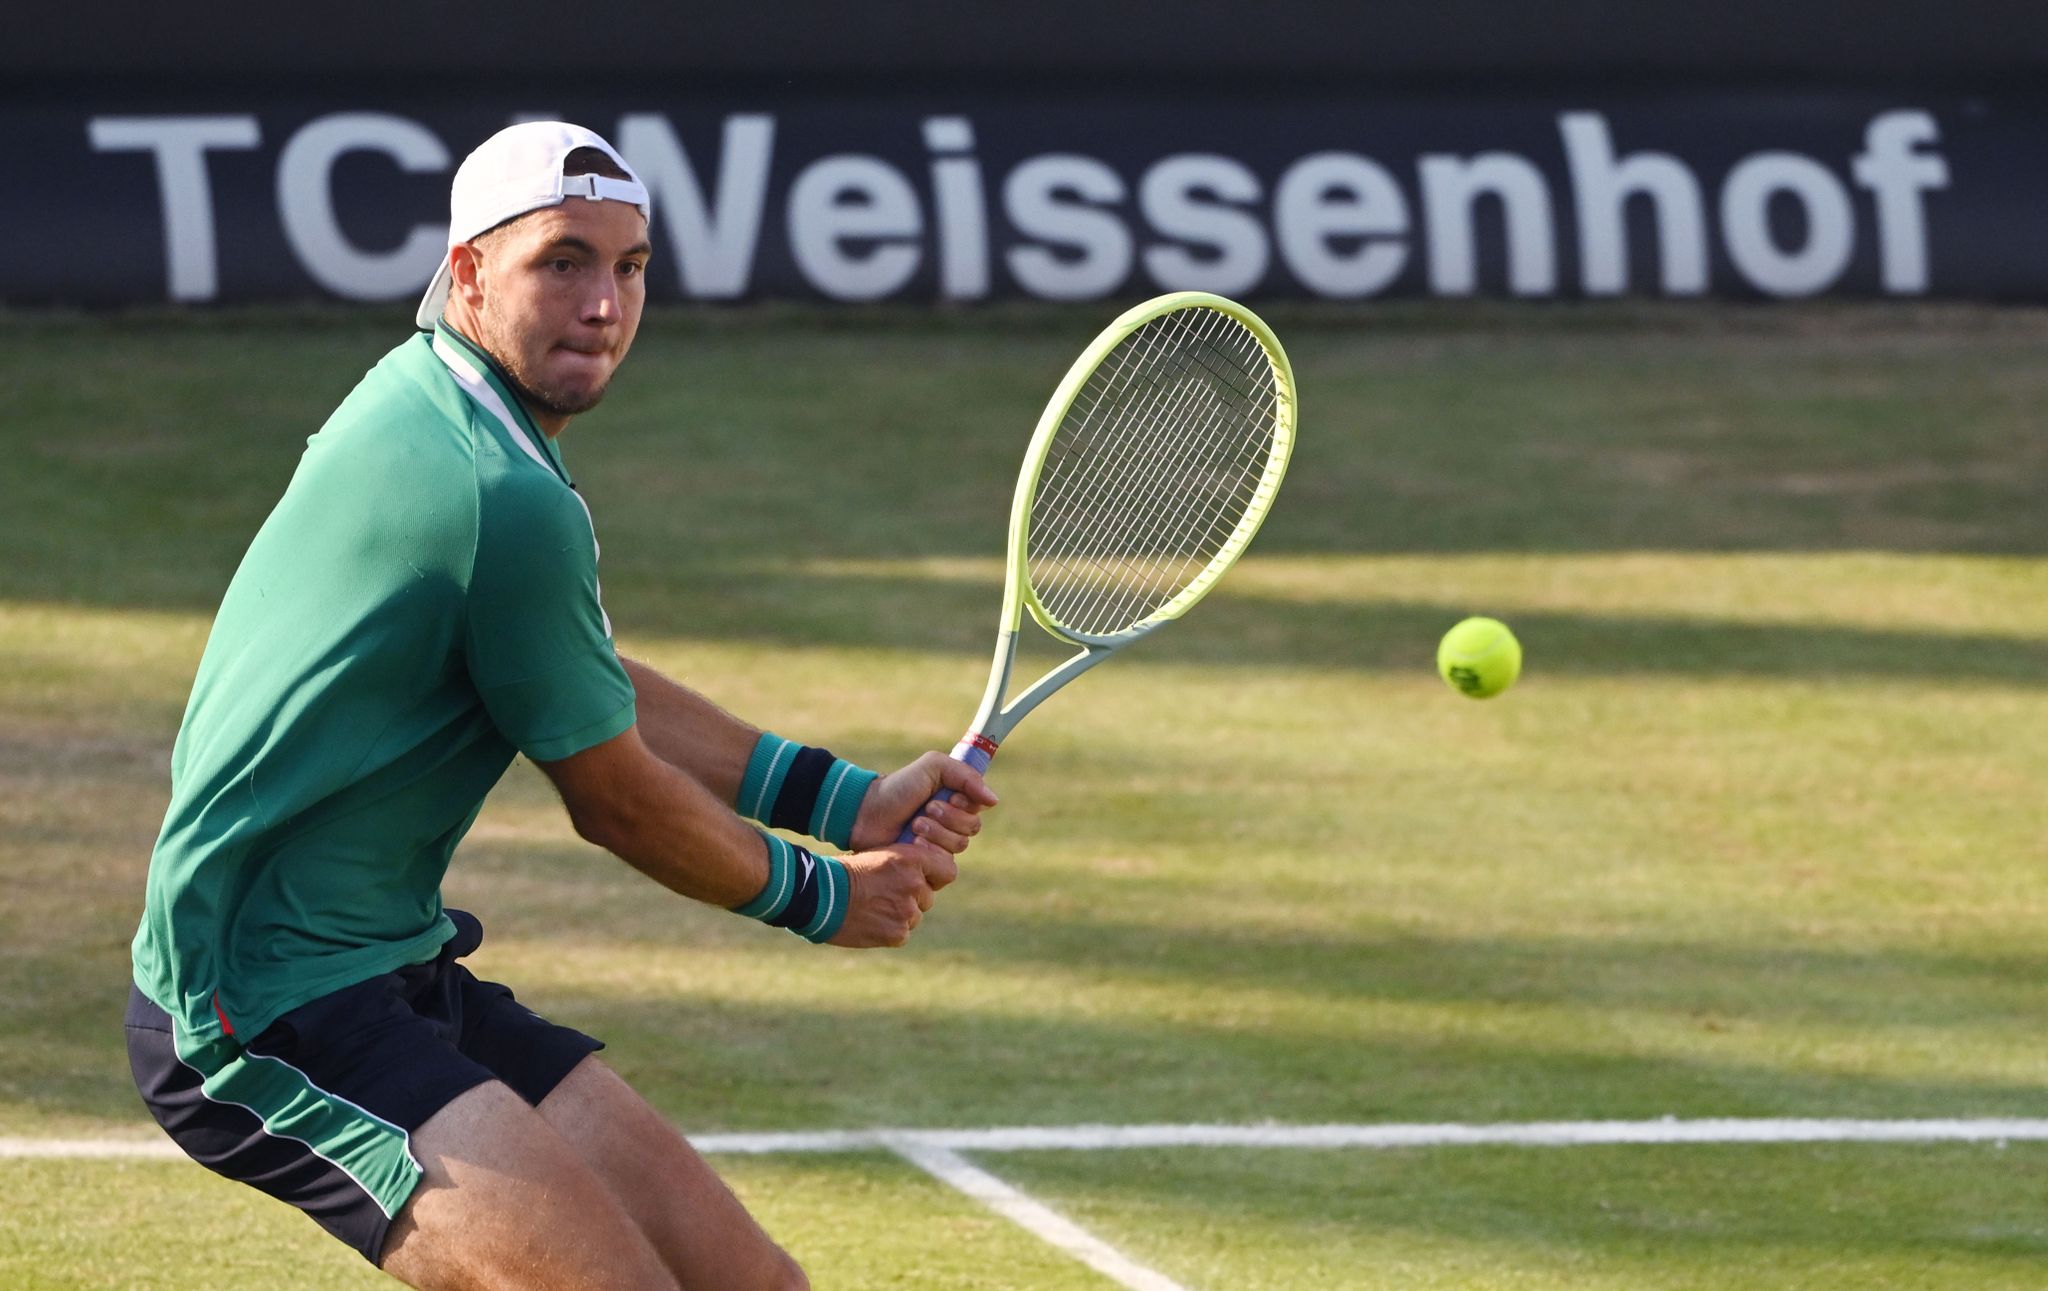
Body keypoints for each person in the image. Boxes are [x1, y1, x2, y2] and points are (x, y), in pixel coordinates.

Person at [123, 121, 996, 1291]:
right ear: (471, 271)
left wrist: (844, 799)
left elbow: (573, 675)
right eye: (563, 262)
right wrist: (825, 894)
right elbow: (616, 799)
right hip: (258, 1002)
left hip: (389, 963)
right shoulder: (497, 490)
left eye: (629, 267)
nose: (602, 305)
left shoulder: (432, 397)